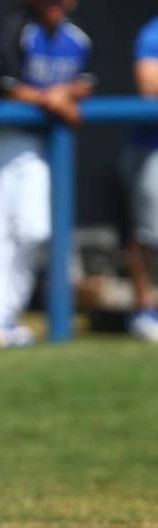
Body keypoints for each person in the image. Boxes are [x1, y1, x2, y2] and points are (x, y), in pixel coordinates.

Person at [0, 0, 92, 348]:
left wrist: (61, 94)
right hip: (2, 137)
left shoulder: (77, 39)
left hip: (39, 145)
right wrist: (47, 99)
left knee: (35, 229)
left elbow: (85, 83)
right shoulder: (17, 28)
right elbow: (3, 84)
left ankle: (7, 317)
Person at [122, 15, 158, 342]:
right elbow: (149, 85)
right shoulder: (153, 31)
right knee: (150, 233)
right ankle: (145, 309)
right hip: (151, 147)